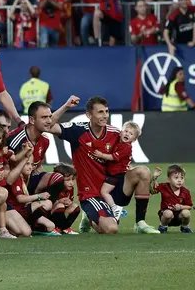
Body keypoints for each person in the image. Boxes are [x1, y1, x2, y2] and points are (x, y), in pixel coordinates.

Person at [48, 95, 160, 234]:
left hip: (112, 186)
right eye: (100, 112)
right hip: (91, 193)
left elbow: (123, 156)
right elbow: (49, 125)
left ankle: (140, 223)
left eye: (106, 111)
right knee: (111, 229)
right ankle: (90, 216)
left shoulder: (115, 134)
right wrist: (66, 105)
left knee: (143, 171)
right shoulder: (78, 131)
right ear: (89, 115)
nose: (105, 115)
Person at [8, 102, 64, 201]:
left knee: (58, 179)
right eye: (44, 117)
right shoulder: (14, 140)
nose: (49, 121)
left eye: (50, 117)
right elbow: (6, 173)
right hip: (12, 188)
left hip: (29, 183)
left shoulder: (45, 141)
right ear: (32, 120)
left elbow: (38, 166)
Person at [94, 121, 140, 219]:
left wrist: (101, 155)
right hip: (114, 173)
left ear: (134, 139)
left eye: (131, 134)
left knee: (104, 192)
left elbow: (113, 157)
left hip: (115, 175)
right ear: (121, 131)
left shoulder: (126, 147)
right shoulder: (118, 142)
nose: (127, 134)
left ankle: (115, 208)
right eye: (126, 131)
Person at [151, 165, 192, 233]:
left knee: (186, 213)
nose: (179, 180)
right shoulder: (164, 187)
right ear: (169, 179)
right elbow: (153, 190)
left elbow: (189, 206)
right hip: (166, 215)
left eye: (182, 178)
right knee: (168, 213)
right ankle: (163, 226)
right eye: (176, 178)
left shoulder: (185, 191)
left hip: (179, 216)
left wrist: (181, 207)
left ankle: (184, 227)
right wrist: (154, 178)